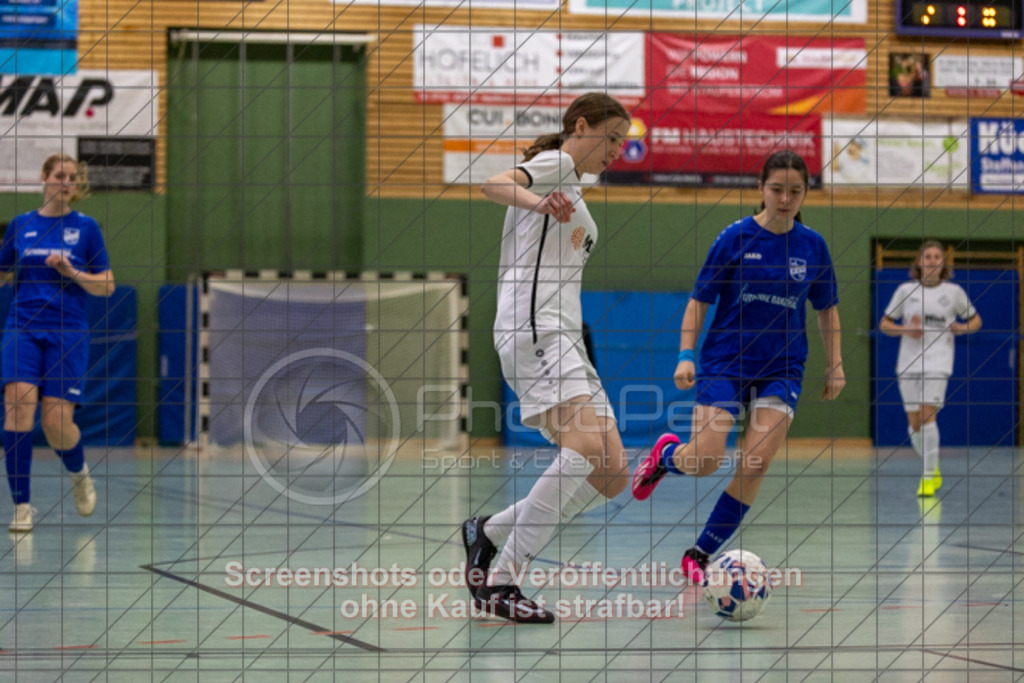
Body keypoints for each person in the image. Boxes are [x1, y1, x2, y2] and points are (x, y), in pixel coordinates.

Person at [631, 150, 845, 585]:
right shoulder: (734, 238)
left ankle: (701, 553)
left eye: (795, 191)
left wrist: (835, 365)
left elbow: (827, 310)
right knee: (706, 458)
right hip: (726, 362)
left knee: (756, 462)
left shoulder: (813, 246)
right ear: (761, 190)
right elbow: (699, 300)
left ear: (805, 194)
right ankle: (666, 456)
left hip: (782, 368)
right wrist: (685, 354)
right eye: (777, 190)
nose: (785, 199)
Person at [460, 93, 631, 623]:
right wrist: (537, 201)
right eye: (611, 139)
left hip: (565, 337)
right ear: (581, 126)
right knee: (582, 447)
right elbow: (493, 185)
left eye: (623, 143)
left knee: (611, 473)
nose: (617, 151)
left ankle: (488, 530)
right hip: (534, 329)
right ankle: (504, 581)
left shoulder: (579, 184)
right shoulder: (556, 165)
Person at [1, 154, 115, 533]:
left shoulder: (86, 228)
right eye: (59, 175)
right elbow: (3, 274)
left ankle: (80, 473)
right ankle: (22, 507)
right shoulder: (21, 225)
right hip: (23, 327)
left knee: (55, 421)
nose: (65, 182)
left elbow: (107, 285)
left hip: (68, 330)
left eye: (72, 178)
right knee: (17, 406)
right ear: (44, 178)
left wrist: (73, 271)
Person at [879, 240, 980, 497]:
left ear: (943, 263)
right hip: (908, 361)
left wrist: (963, 327)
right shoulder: (905, 290)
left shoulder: (954, 292)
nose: (933, 260)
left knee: (927, 417)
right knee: (914, 425)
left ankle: (926, 477)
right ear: (919, 262)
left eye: (937, 256)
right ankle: (932, 468)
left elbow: (975, 319)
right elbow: (885, 324)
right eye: (928, 256)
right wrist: (905, 330)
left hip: (938, 361)